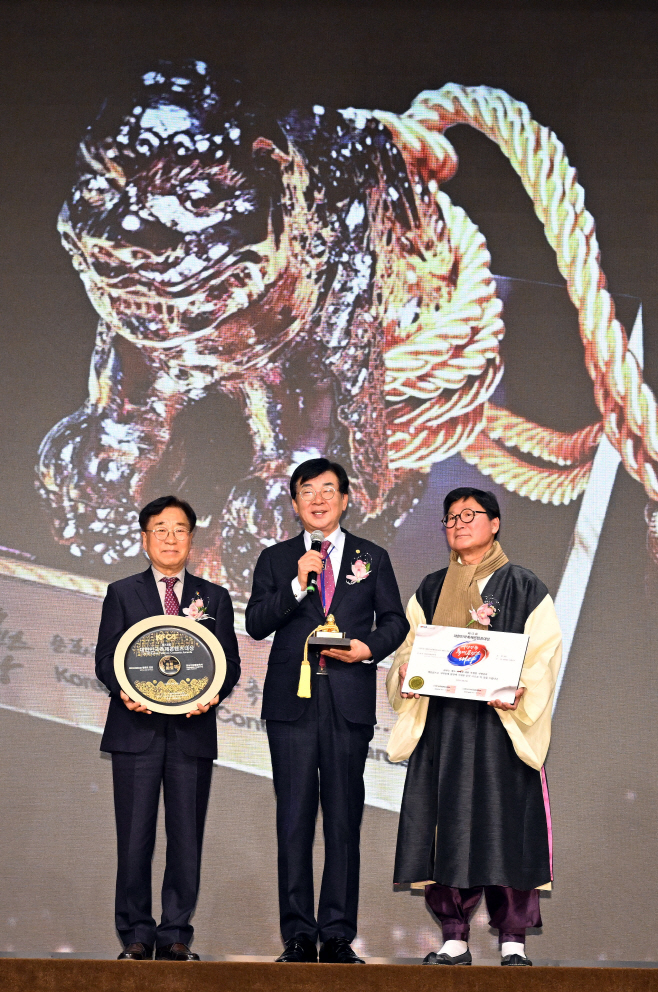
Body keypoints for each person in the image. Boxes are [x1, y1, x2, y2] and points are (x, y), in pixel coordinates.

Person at [386, 487, 562, 967]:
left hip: (500, 731)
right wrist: (409, 677)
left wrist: (520, 688)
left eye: (471, 515)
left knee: (508, 827)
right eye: (451, 517)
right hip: (445, 730)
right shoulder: (430, 588)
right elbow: (408, 651)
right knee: (448, 827)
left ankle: (512, 940)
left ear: (495, 523)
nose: (460, 523)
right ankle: (454, 935)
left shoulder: (524, 587)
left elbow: (543, 654)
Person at [245, 458, 409, 964]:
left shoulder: (372, 556)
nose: (318, 499)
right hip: (291, 705)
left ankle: (337, 935)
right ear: (294, 503)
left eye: (328, 490)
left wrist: (367, 649)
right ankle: (297, 935)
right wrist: (297, 586)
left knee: (343, 820)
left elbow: (397, 621)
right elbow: (254, 623)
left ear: (345, 499)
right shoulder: (275, 559)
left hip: (348, 701)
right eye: (307, 491)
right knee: (293, 819)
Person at [95, 495, 241, 961]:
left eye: (180, 529)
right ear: (145, 539)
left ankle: (175, 932)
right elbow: (106, 659)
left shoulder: (213, 597)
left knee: (185, 837)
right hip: (135, 732)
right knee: (134, 836)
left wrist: (213, 691)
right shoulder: (122, 592)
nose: (171, 537)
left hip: (190, 735)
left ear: (191, 539)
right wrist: (125, 689)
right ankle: (136, 935)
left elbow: (229, 663)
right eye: (161, 528)